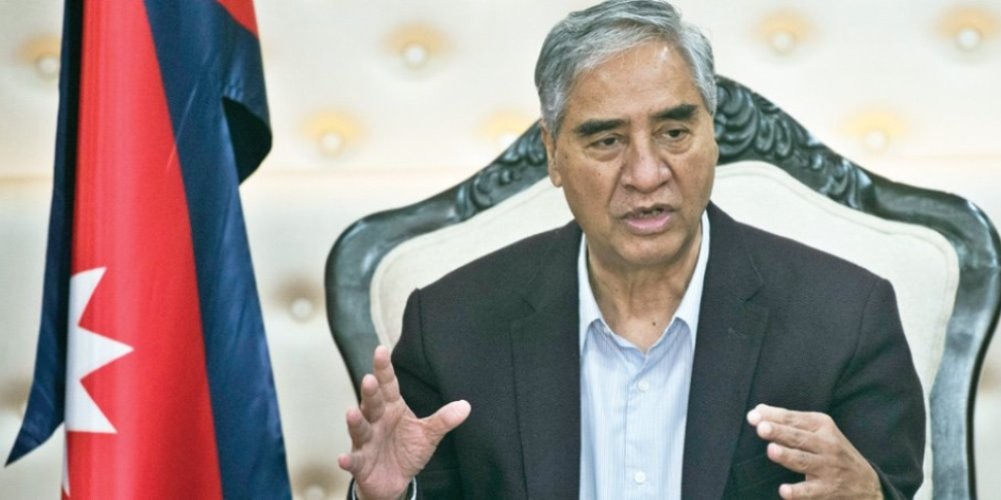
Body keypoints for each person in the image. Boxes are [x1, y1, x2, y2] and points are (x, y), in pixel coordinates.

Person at [338, 0, 925, 498]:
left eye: (674, 132)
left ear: (713, 135)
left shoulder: (846, 320)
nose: (646, 174)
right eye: (607, 140)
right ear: (553, 154)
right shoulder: (451, 327)